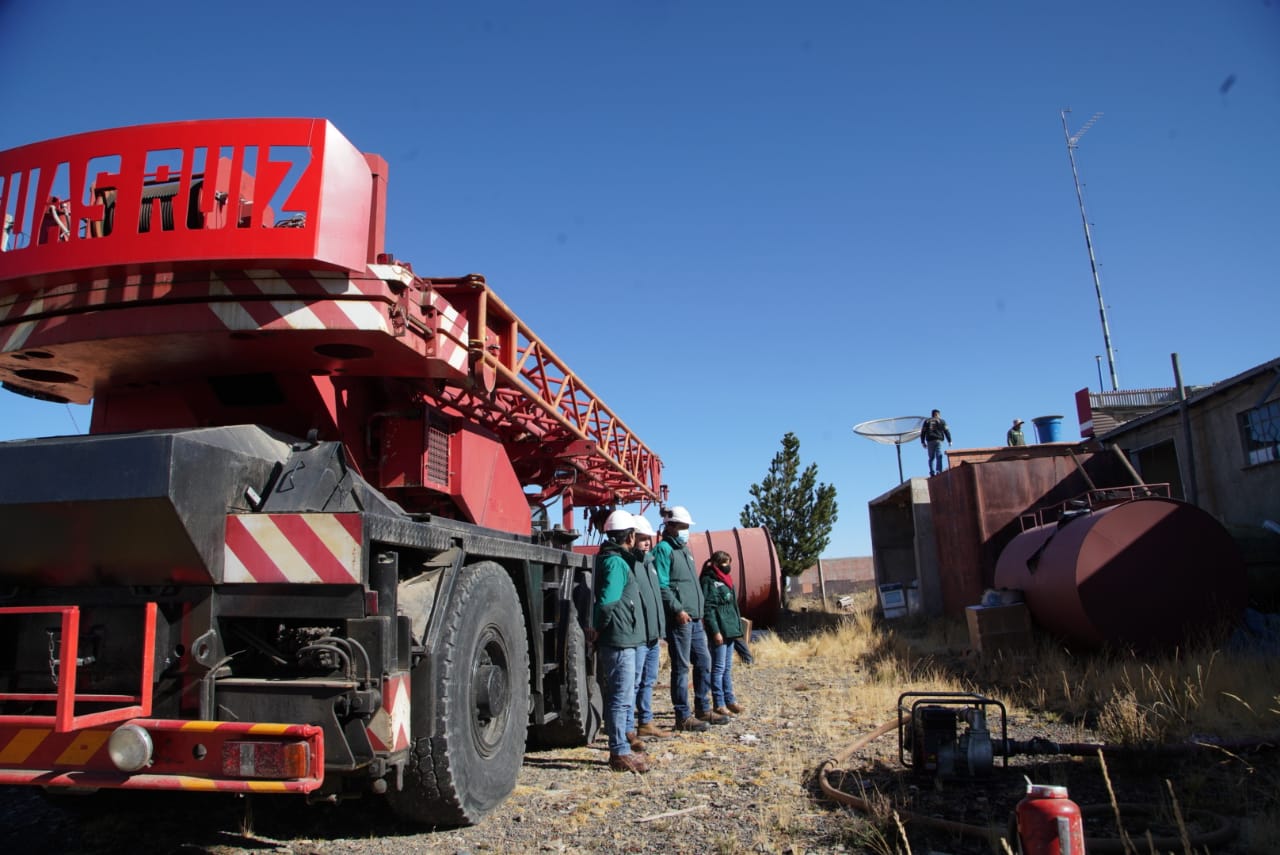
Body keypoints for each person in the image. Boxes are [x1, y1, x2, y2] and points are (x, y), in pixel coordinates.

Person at [652, 505, 725, 731]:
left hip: (694, 619)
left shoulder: (684, 550)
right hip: (680, 619)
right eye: (683, 527)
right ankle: (682, 716)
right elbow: (662, 585)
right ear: (671, 526)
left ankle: (703, 708)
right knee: (681, 667)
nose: (686, 531)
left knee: (704, 662)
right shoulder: (663, 550)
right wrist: (678, 609)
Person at [592, 510, 649, 773]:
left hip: (623, 636)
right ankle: (619, 753)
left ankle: (621, 748)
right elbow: (608, 602)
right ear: (630, 536)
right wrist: (597, 628)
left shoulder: (614, 559)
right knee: (620, 697)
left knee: (622, 696)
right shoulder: (615, 563)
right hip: (619, 638)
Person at [630, 514, 669, 739]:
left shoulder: (650, 564)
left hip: (653, 634)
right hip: (639, 636)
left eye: (648, 539)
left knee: (648, 680)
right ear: (632, 538)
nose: (646, 543)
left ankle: (645, 722)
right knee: (634, 682)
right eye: (642, 538)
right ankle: (627, 728)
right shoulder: (630, 564)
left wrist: (660, 629)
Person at [700, 551, 745, 718]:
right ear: (716, 564)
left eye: (729, 563)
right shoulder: (709, 581)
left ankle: (730, 700)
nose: (728, 566)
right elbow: (708, 609)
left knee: (727, 667)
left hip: (730, 628)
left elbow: (732, 605)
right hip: (719, 629)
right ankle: (719, 703)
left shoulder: (726, 580)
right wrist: (715, 631)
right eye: (725, 563)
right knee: (718, 668)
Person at [921, 409, 952, 476]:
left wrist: (923, 442)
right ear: (937, 414)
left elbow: (923, 432)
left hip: (930, 441)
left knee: (931, 458)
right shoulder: (942, 421)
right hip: (938, 440)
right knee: (939, 455)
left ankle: (932, 472)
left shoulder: (927, 421)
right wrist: (949, 440)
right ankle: (939, 471)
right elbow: (946, 431)